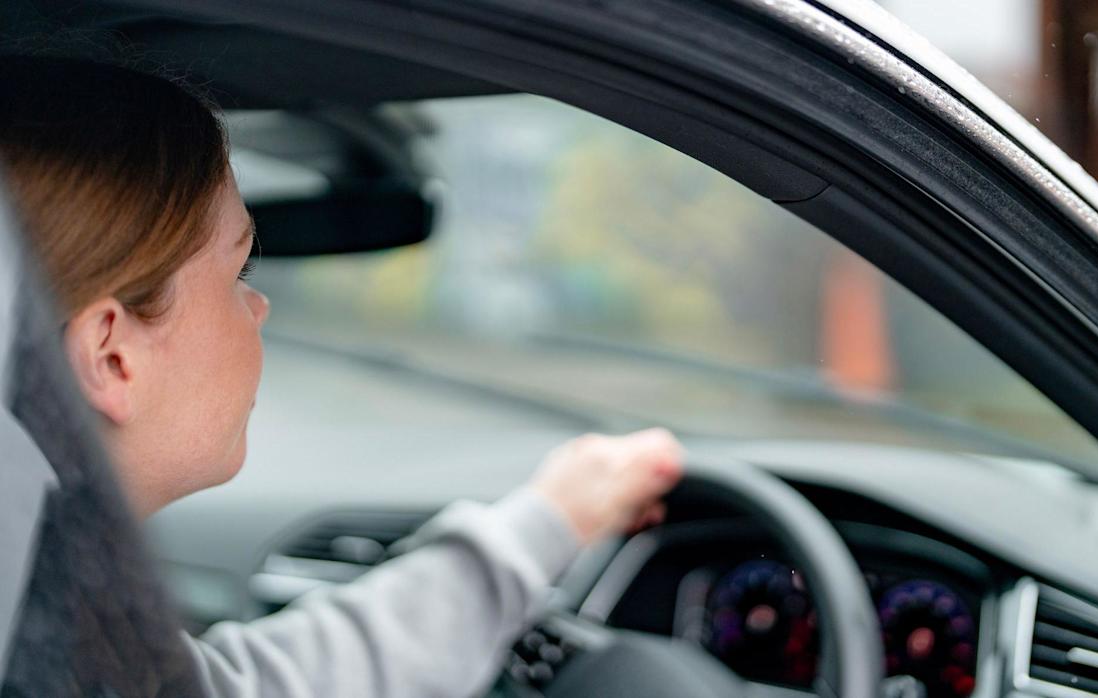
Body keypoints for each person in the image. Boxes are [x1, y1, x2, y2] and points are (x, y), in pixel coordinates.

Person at [0, 56, 684, 697]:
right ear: (111, 356)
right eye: (238, 272)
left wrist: (550, 522)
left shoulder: (46, 615)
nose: (258, 306)